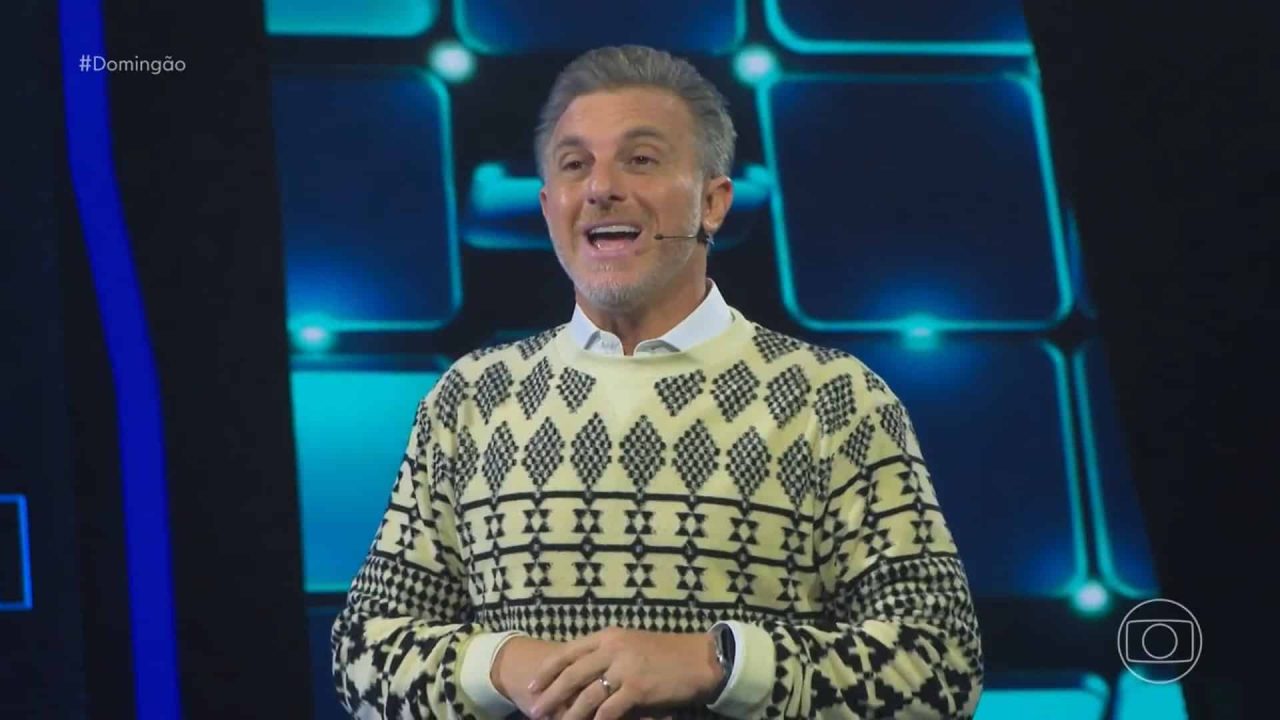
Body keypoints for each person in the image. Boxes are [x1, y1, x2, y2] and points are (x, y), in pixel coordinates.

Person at [332, 45, 983, 719]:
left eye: (640, 159)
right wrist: (497, 664)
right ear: (550, 207)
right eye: (575, 164)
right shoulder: (470, 399)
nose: (600, 188)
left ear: (713, 202)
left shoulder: (835, 400)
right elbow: (363, 651)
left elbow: (939, 665)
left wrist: (720, 664)